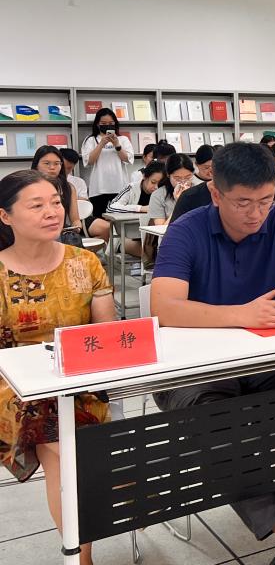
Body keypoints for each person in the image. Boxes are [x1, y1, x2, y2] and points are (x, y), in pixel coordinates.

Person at [151, 142, 275, 544]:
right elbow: (163, 307)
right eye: (243, 203)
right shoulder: (186, 230)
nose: (256, 214)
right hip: (195, 367)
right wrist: (242, 314)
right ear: (215, 193)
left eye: (265, 201)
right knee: (216, 424)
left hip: (266, 358)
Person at [0, 170, 116, 565]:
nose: (52, 211)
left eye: (55, 201)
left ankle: (80, 554)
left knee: (71, 457)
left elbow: (105, 335)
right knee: (67, 452)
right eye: (37, 205)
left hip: (80, 379)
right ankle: (82, 556)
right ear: (5, 216)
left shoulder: (85, 262)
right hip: (17, 389)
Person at [80, 108, 135, 220]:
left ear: (115, 123)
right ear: (97, 124)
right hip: (98, 189)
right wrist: (101, 144)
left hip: (120, 188)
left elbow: (127, 159)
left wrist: (117, 145)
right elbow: (89, 161)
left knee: (120, 221)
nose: (107, 126)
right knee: (101, 221)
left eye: (110, 123)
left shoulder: (123, 139)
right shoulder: (91, 140)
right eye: (103, 123)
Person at [107, 161, 166, 259]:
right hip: (128, 237)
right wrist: (140, 208)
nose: (156, 187)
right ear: (144, 177)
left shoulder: (163, 192)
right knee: (152, 254)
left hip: (152, 237)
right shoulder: (132, 188)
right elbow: (111, 208)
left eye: (159, 184)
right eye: (153, 182)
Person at [31, 145, 85, 241]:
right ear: (36, 165)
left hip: (60, 232)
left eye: (57, 163)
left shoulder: (68, 188)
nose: (52, 167)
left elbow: (75, 220)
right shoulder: (27, 187)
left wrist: (76, 227)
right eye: (46, 163)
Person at [147, 153, 198, 226]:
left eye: (188, 177)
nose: (183, 182)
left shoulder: (199, 190)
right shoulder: (158, 195)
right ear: (168, 175)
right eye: (177, 178)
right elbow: (161, 228)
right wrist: (179, 203)